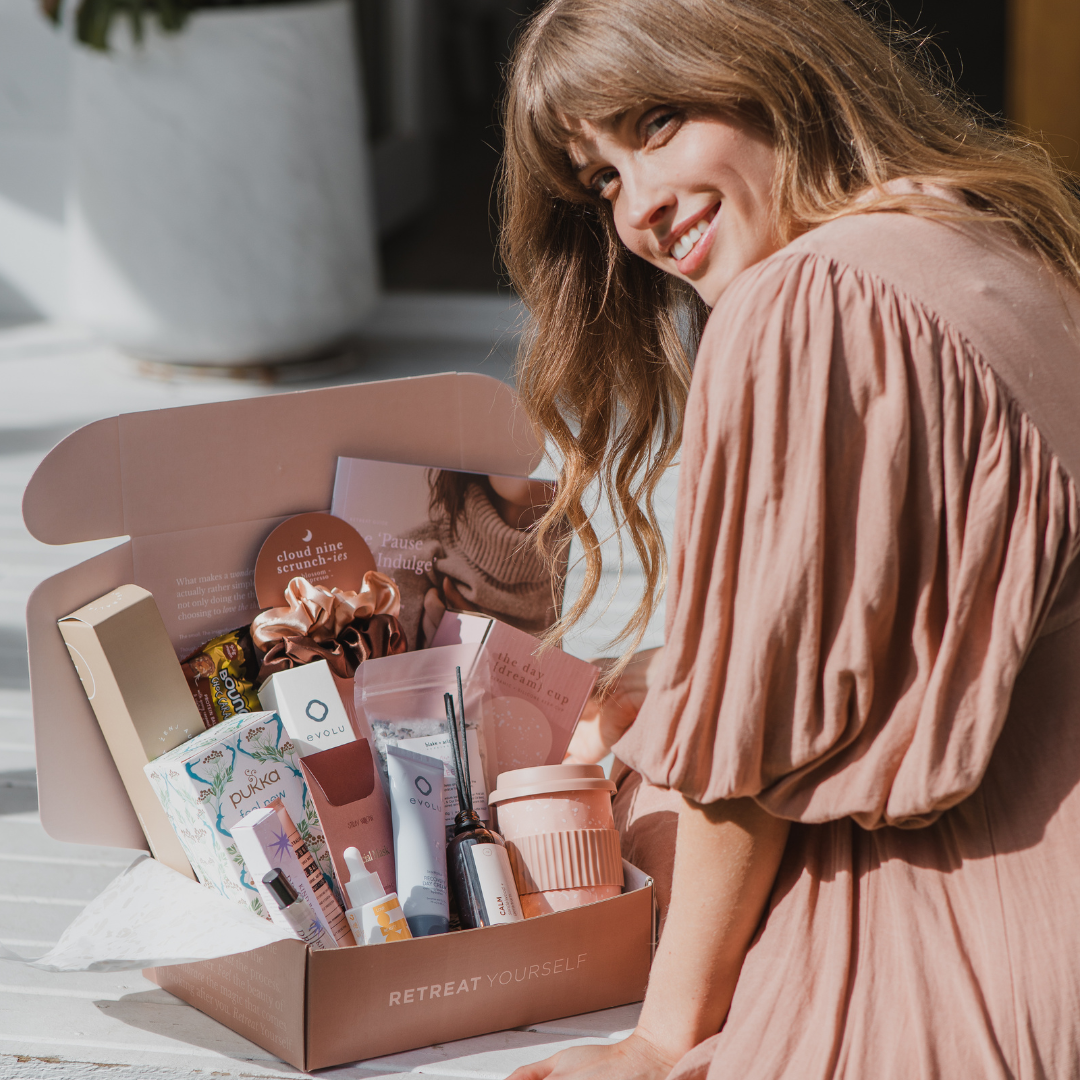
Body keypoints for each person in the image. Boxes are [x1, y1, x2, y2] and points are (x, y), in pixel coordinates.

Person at [499, 1, 1080, 1078]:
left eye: (659, 122)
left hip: (943, 963)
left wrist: (662, 1039)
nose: (641, 208)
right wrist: (686, 680)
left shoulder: (802, 298)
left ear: (769, 69)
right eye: (604, 180)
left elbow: (745, 762)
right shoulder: (990, 240)